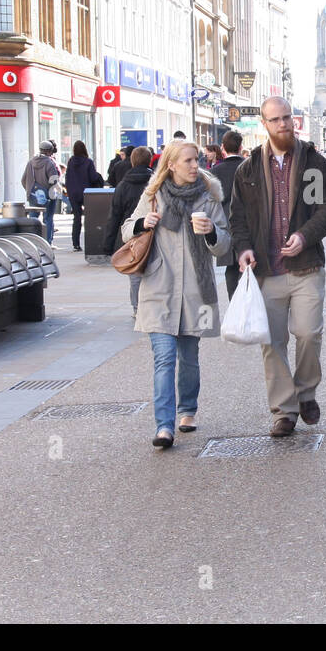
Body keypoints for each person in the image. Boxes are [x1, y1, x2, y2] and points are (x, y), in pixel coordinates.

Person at [229, 97, 326, 436]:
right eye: (275, 119)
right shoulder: (247, 170)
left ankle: (305, 393)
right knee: (272, 343)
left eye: (287, 117)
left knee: (308, 333)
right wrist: (244, 249)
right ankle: (284, 411)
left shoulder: (314, 163)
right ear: (265, 124)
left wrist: (304, 237)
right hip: (267, 271)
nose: (283, 124)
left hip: (305, 267)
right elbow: (238, 219)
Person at [125, 142, 231, 448]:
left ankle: (187, 409)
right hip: (159, 287)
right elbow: (125, 230)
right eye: (187, 160)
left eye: (196, 160)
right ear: (171, 164)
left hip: (195, 289)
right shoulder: (153, 196)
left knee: (189, 357)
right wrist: (140, 224)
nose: (194, 165)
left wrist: (211, 231)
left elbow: (224, 245)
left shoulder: (209, 197)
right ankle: (164, 426)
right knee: (164, 358)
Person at [104, 146, 154, 316]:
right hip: (155, 234)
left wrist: (108, 244)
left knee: (135, 273)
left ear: (132, 161)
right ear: (150, 160)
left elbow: (115, 216)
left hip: (133, 237)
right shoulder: (156, 183)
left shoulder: (123, 186)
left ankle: (138, 308)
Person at [210, 131, 246, 299]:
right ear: (241, 147)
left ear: (222, 148)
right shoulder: (249, 166)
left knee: (230, 268)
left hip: (224, 221)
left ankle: (234, 302)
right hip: (247, 221)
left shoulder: (215, 171)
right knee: (248, 263)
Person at [21, 141, 62, 246]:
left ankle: (32, 242)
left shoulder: (31, 162)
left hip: (33, 195)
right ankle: (47, 243)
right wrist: (59, 190)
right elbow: (54, 180)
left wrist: (30, 190)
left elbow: (23, 179)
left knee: (33, 219)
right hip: (49, 195)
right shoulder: (49, 162)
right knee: (48, 218)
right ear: (49, 151)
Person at [63, 141, 99, 252]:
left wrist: (69, 190)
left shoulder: (70, 161)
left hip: (73, 193)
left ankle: (76, 244)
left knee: (77, 218)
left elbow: (67, 177)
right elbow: (93, 178)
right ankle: (91, 243)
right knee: (90, 218)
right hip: (86, 192)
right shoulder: (88, 162)